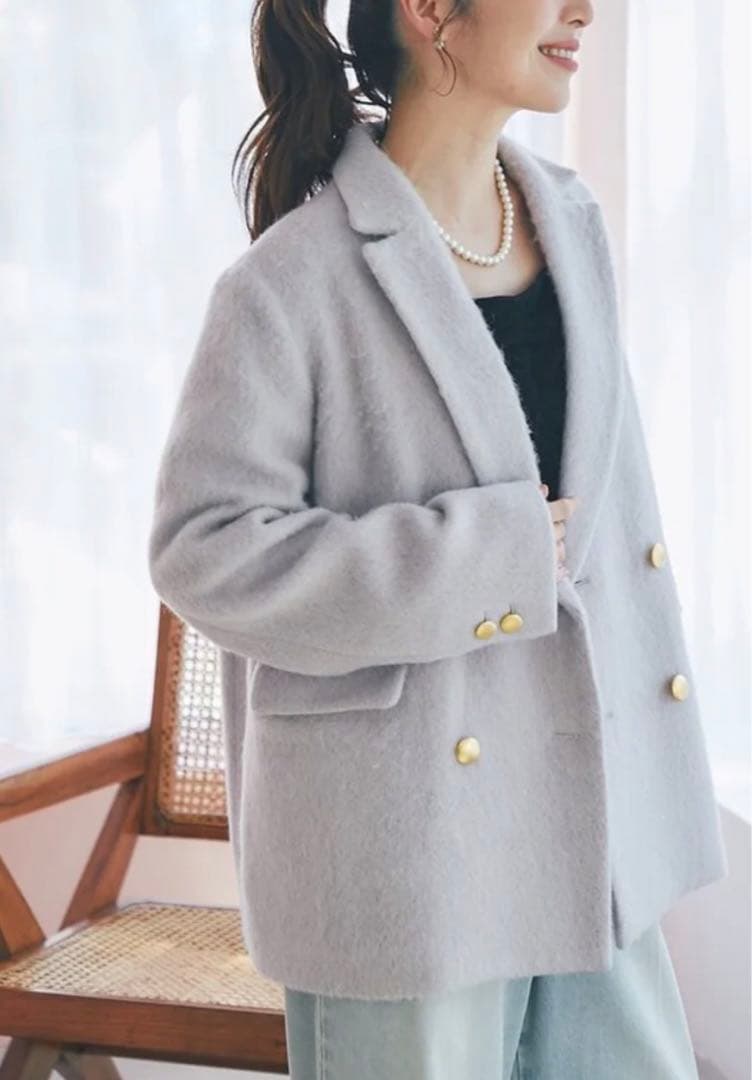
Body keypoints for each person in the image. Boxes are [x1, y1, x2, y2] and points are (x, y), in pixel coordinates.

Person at [147, 1, 728, 1076]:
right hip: (407, 860)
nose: (583, 9)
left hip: (594, 822)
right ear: (428, 12)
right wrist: (484, 558)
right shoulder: (290, 282)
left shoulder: (569, 221)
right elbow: (203, 551)